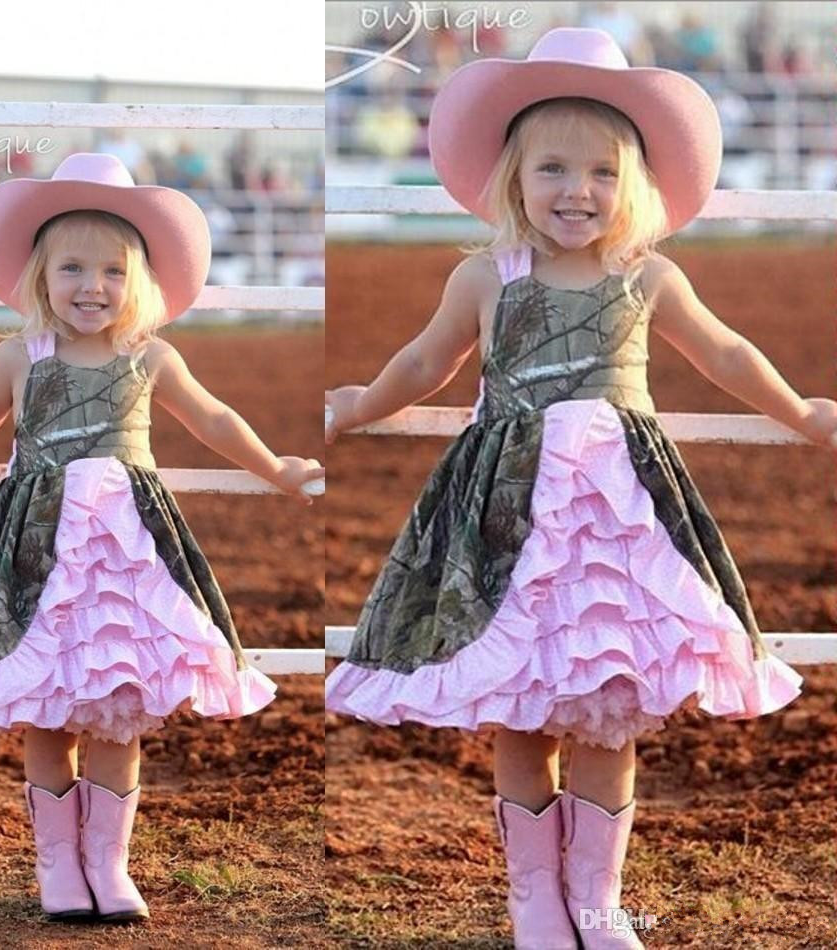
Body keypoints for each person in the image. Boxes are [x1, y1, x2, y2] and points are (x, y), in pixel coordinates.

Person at [324, 28, 837, 950]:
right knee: (522, 707)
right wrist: (361, 402)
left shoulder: (647, 276)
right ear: (513, 178)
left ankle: (598, 905)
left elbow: (723, 351)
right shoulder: (486, 275)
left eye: (601, 173)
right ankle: (535, 904)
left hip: (618, 515)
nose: (578, 192)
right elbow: (427, 362)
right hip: (508, 513)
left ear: (633, 183)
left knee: (608, 705)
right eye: (554, 170)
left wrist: (802, 409)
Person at [0, 153, 323, 924]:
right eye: (72, 268)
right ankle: (58, 867)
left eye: (112, 271)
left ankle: (108, 866)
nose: (92, 286)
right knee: (50, 708)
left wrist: (276, 465)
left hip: (126, 556)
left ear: (139, 280)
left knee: (119, 705)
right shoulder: (19, 356)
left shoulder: (148, 357)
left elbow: (213, 419)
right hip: (35, 555)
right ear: (39, 279)